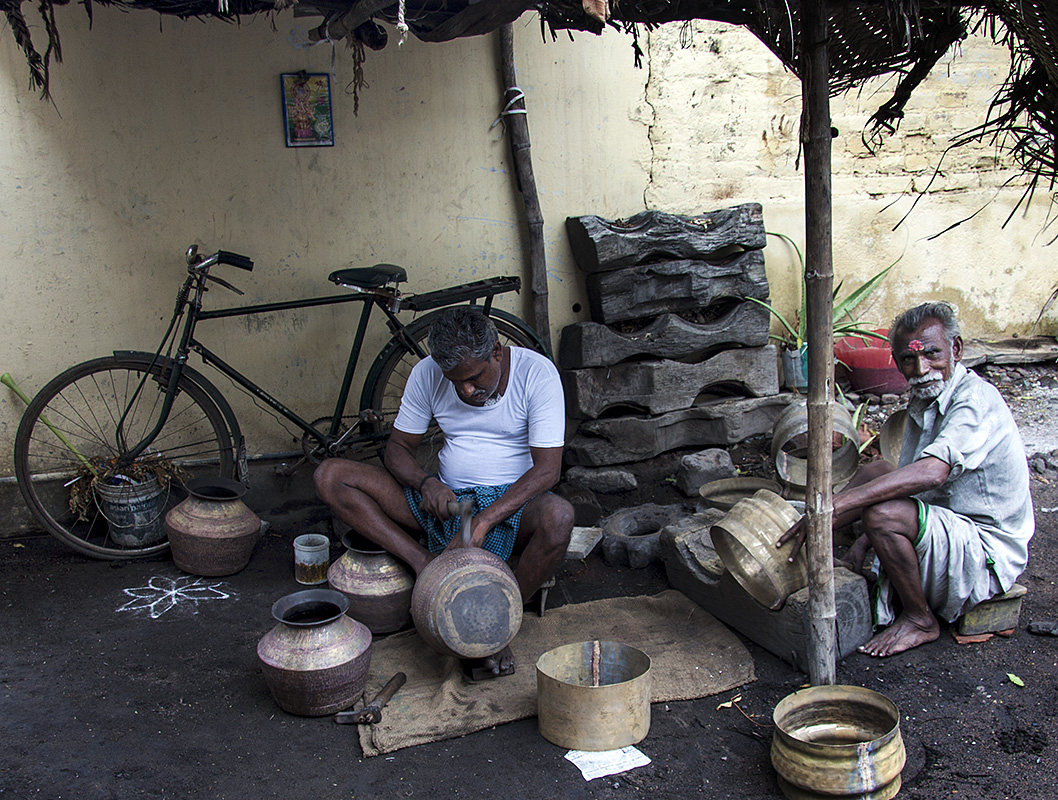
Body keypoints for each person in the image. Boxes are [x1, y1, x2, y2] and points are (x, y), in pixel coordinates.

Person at [314, 306, 574, 679]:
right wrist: (426, 483)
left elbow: (548, 470)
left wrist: (485, 519)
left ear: (496, 352)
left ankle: (495, 622)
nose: (466, 390)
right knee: (330, 475)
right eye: (455, 381)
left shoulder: (537, 374)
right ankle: (426, 566)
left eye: (473, 377)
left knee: (560, 517)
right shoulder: (427, 374)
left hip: (511, 510)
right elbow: (397, 449)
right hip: (445, 507)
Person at [777, 302, 1034, 657]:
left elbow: (932, 473)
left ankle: (919, 619)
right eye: (908, 360)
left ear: (955, 349)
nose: (921, 369)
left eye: (932, 354)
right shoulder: (927, 396)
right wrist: (856, 528)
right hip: (951, 524)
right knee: (878, 471)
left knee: (881, 515)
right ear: (897, 362)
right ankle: (824, 545)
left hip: (986, 553)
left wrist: (840, 506)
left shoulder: (974, 401)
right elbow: (912, 481)